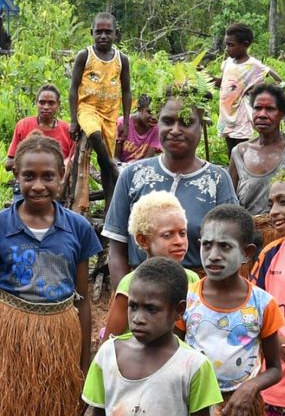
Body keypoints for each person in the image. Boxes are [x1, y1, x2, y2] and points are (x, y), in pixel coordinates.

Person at [0, 133, 102, 416]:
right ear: (16, 175)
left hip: (60, 335)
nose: (38, 185)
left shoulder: (78, 228)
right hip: (10, 335)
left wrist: (83, 370)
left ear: (62, 177)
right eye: (29, 176)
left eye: (48, 177)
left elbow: (82, 303)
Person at [103, 89, 239, 288]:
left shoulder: (217, 180)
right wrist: (127, 299)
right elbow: (117, 249)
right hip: (141, 290)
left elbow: (229, 249)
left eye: (185, 122)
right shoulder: (133, 175)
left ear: (201, 126)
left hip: (198, 295)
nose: (175, 130)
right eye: (167, 121)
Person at [84, 257, 222, 416]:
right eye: (133, 306)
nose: (138, 318)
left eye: (151, 309)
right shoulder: (108, 355)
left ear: (179, 310)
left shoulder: (193, 366)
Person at [176, 204, 284, 416]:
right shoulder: (186, 299)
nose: (213, 254)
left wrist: (251, 387)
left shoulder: (262, 304)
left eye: (225, 246)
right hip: (194, 407)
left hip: (241, 412)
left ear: (247, 252)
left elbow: (275, 369)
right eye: (207, 244)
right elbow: (172, 353)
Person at [102, 191, 199, 339]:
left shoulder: (192, 280)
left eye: (182, 233)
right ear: (143, 240)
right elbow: (110, 341)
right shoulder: (131, 283)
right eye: (168, 235)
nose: (179, 241)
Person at [250, 167, 285, 416]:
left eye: (284, 201)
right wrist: (281, 348)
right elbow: (252, 310)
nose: (272, 211)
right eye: (271, 203)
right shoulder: (269, 255)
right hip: (279, 390)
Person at [69, 12, 132, 211]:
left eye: (108, 32)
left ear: (116, 34)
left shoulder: (122, 59)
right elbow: (73, 88)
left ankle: (109, 209)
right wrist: (73, 119)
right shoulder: (85, 56)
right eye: (99, 32)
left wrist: (127, 121)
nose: (103, 36)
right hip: (87, 109)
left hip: (110, 115)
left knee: (104, 168)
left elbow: (127, 91)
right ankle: (114, 167)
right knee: (94, 134)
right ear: (91, 32)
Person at [228, 84, 285, 216]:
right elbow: (229, 202)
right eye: (257, 108)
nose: (262, 115)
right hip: (249, 232)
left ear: (282, 114)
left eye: (270, 109)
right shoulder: (240, 153)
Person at [217, 23, 282, 157]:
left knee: (243, 151)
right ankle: (234, 176)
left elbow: (277, 79)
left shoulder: (253, 65)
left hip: (241, 116)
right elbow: (222, 82)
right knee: (231, 152)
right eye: (226, 45)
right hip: (226, 115)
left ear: (245, 44)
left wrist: (254, 88)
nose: (227, 49)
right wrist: (204, 76)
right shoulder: (228, 62)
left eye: (231, 45)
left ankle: (246, 176)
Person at [5, 83, 74, 171]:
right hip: (28, 181)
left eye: (51, 103)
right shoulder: (23, 125)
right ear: (36, 102)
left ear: (58, 104)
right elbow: (9, 164)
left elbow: (73, 163)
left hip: (58, 182)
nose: (46, 107)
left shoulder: (67, 130)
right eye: (42, 102)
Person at [115, 94, 161, 163]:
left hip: (140, 169)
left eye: (157, 113)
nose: (154, 117)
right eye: (149, 112)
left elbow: (147, 160)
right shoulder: (122, 123)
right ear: (139, 109)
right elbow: (115, 158)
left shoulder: (155, 129)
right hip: (120, 168)